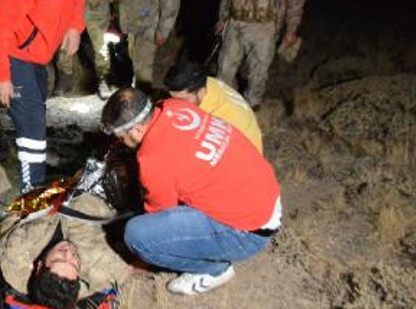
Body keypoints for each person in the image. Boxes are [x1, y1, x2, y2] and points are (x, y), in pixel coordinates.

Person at [100, 88, 282, 295]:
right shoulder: (174, 107)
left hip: (250, 233)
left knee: (137, 235)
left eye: (120, 137)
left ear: (137, 130)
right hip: (267, 194)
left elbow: (160, 218)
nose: (120, 142)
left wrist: (140, 260)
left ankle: (214, 271)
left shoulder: (153, 159)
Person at [0, 0, 100, 193]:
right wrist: (1, 75)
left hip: (39, 58)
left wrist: (75, 26)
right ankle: (31, 192)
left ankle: (35, 181)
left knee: (38, 113)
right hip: (15, 55)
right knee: (32, 124)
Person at [0, 178, 133, 309]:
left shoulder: (18, 252)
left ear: (38, 266)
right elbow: (130, 263)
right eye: (74, 263)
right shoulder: (102, 270)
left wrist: (48, 196)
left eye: (59, 259)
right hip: (96, 194)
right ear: (79, 277)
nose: (68, 252)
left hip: (49, 191)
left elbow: (11, 216)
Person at [164, 59, 263, 152]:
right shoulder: (208, 83)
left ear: (201, 92)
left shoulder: (218, 115)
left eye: (182, 99)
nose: (177, 104)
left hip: (244, 154)